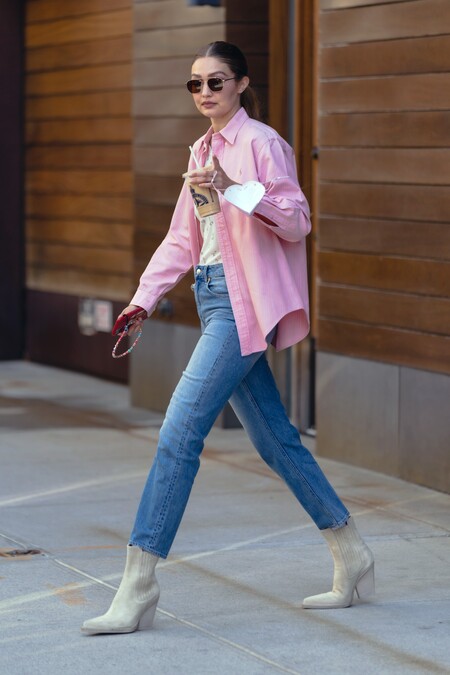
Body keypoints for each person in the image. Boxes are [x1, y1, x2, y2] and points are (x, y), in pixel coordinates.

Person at [81, 41, 374, 636]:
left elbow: (296, 220)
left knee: (179, 430)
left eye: (216, 82)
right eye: (195, 84)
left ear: (241, 84)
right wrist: (142, 299)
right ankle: (353, 552)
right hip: (214, 295)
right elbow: (184, 240)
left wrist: (234, 184)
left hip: (244, 308)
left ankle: (138, 585)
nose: (205, 93)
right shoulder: (200, 148)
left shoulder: (261, 143)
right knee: (275, 441)